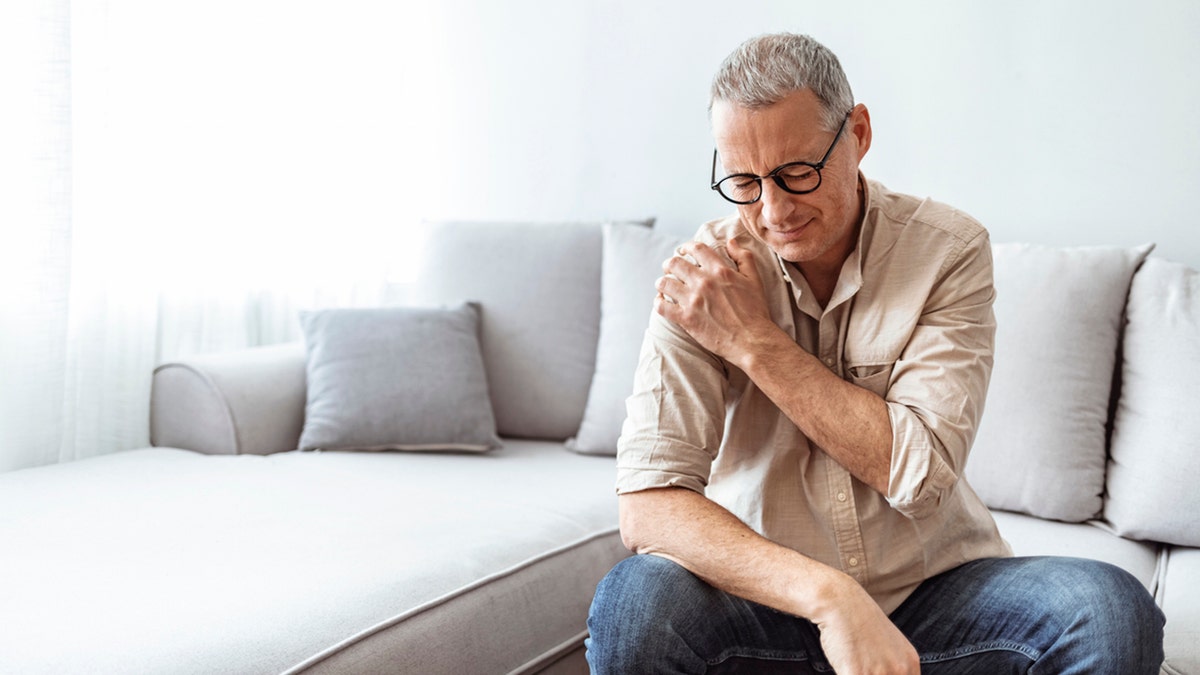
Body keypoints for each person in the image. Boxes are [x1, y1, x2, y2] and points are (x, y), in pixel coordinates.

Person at [585, 32, 1163, 674]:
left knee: (1108, 608)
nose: (773, 210)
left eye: (796, 173)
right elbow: (648, 504)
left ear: (858, 133)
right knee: (634, 604)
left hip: (934, 595)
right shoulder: (704, 279)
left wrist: (754, 342)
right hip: (765, 599)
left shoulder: (949, 251)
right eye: (744, 183)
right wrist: (830, 598)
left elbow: (920, 477)